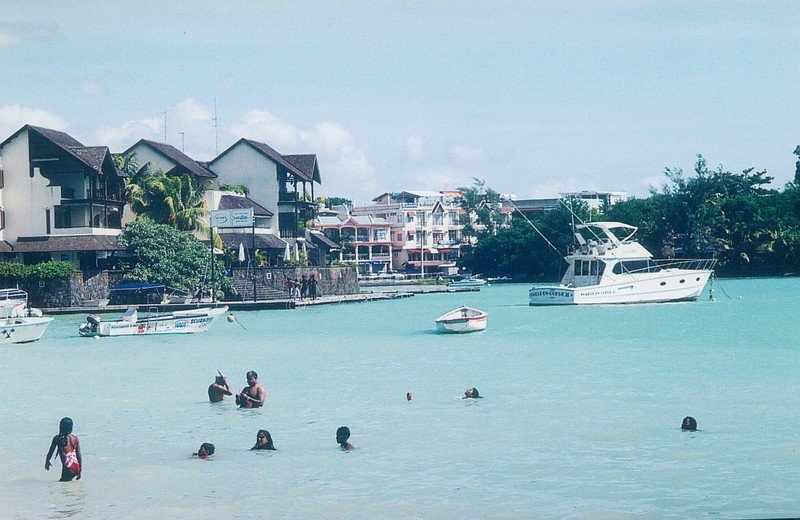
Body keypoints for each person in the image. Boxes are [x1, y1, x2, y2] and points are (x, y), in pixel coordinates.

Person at [45, 417, 82, 482]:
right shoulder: (75, 438)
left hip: (68, 466)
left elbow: (50, 452)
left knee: (64, 487)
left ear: (60, 427)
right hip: (76, 465)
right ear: (71, 428)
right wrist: (80, 469)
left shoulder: (57, 438)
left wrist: (47, 461)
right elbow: (78, 455)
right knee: (68, 485)